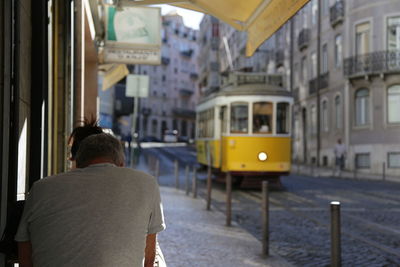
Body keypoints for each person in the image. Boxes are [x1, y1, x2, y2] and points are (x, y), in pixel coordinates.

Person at [15, 133, 165, 267]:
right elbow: (150, 259)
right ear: (120, 164)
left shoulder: (41, 188)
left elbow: (24, 252)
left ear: (78, 163)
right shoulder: (147, 184)